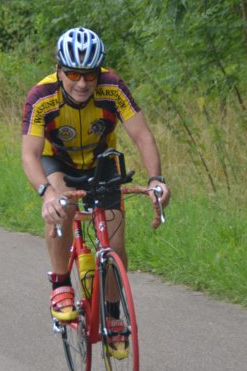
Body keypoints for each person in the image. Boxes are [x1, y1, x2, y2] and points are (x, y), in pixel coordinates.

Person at [21, 27, 170, 353]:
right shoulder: (41, 97)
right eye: (73, 73)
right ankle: (60, 284)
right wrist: (46, 193)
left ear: (99, 72)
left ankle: (113, 314)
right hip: (58, 164)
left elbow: (142, 136)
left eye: (90, 74)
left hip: (102, 161)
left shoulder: (112, 87)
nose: (82, 83)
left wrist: (155, 180)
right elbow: (30, 154)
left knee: (115, 244)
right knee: (61, 205)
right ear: (59, 69)